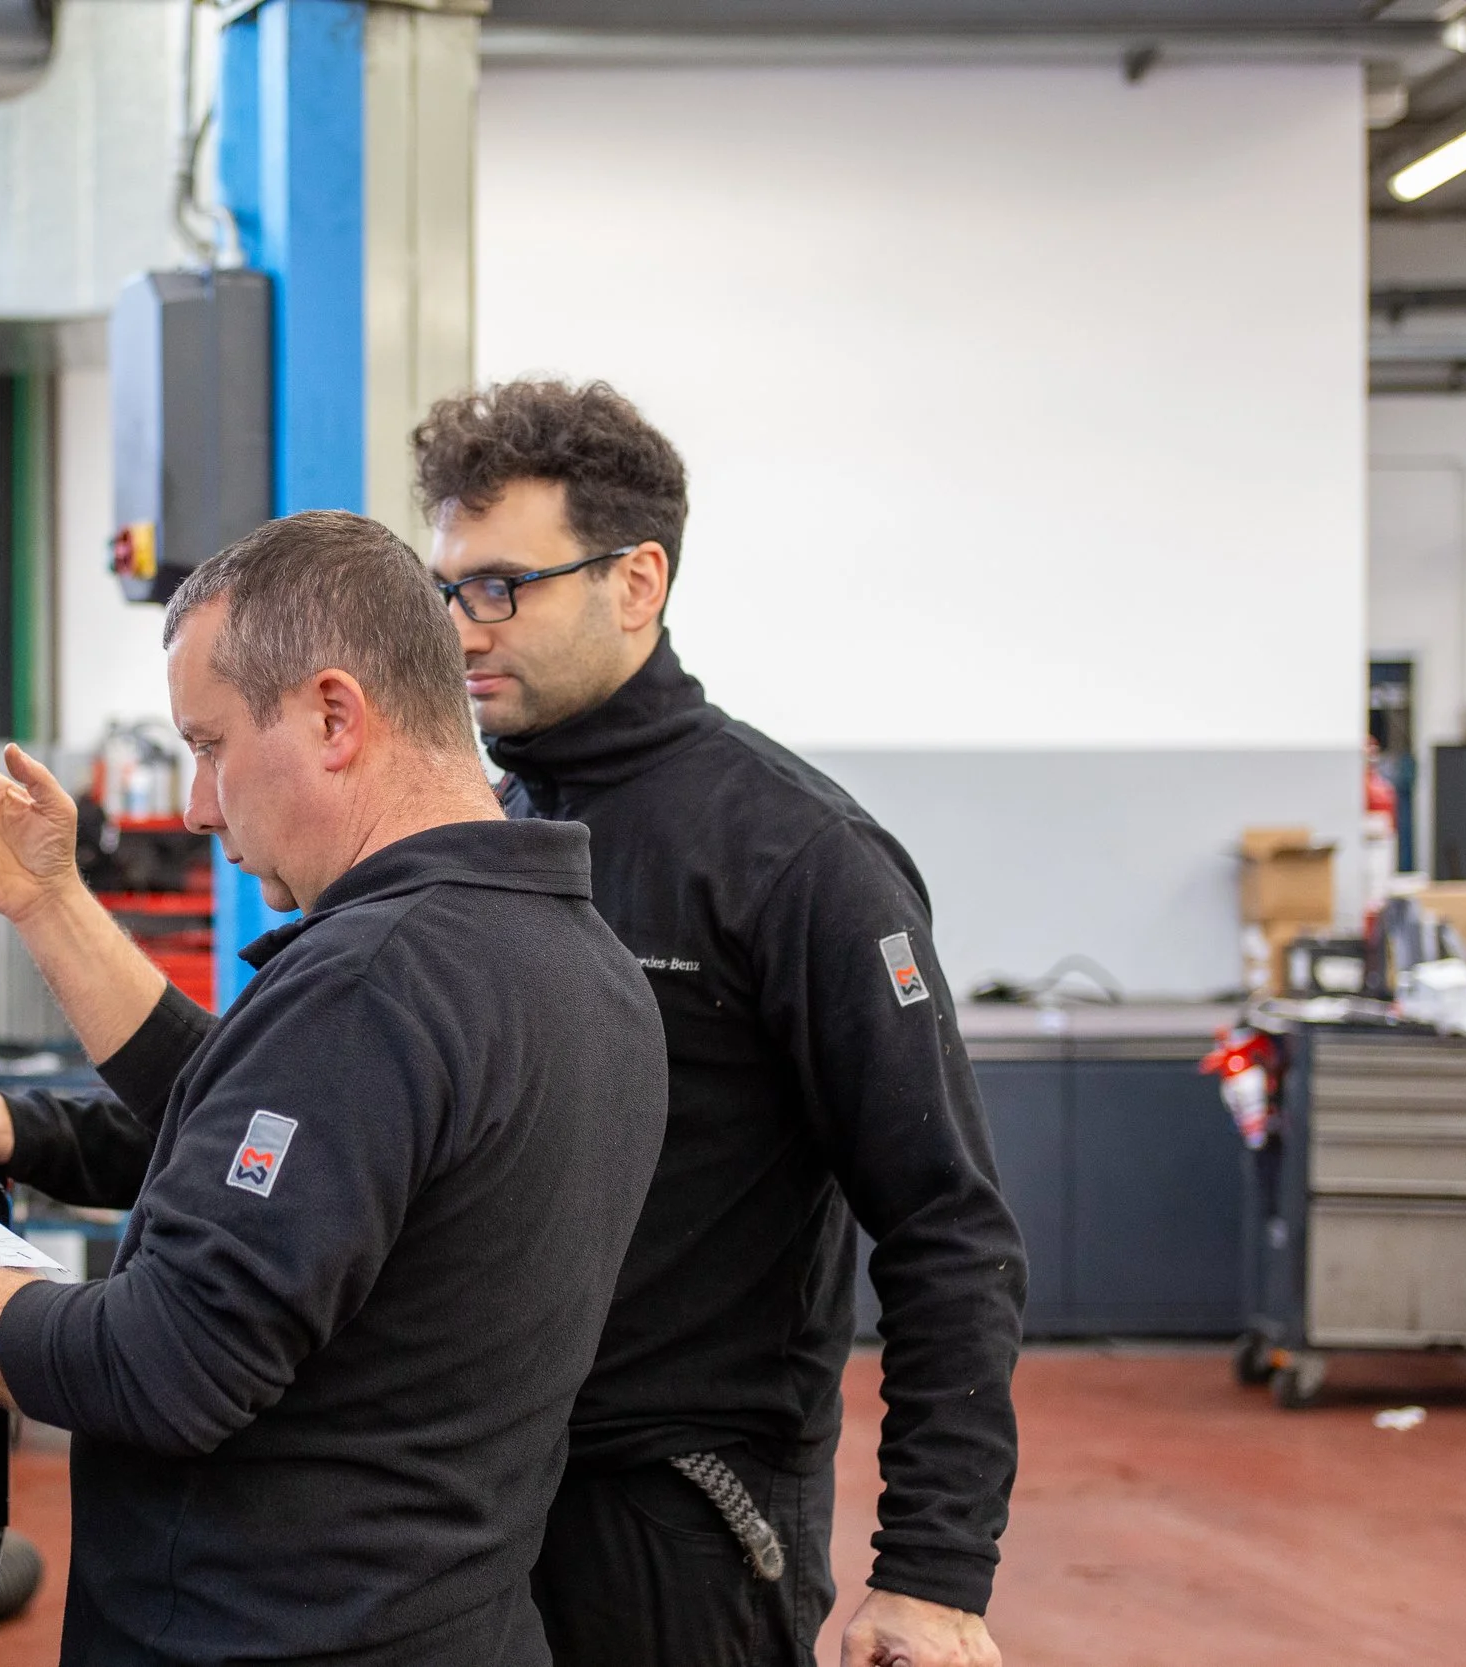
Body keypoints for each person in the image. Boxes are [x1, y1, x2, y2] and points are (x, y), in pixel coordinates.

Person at [0, 509, 668, 1666]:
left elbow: (158, 1365)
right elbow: (318, 1163)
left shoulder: (370, 986)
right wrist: (47, 907)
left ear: (334, 716)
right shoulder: (578, 960)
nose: (196, 803)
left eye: (211, 743)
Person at [411, 379, 1025, 1667]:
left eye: (502, 585)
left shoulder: (797, 856)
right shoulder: (486, 831)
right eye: (447, 586)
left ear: (636, 581)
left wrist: (932, 1565)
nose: (462, 626)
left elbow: (945, 1222)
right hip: (476, 1501)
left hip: (686, 1520)